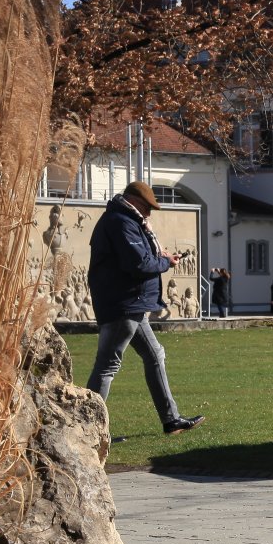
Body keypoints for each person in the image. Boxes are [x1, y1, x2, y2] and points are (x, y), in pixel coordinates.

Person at [85, 181, 206, 434]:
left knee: (155, 355)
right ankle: (88, 429)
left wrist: (161, 258)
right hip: (123, 304)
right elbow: (138, 265)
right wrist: (165, 262)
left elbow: (140, 259)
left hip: (131, 304)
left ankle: (171, 420)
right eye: (147, 207)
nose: (149, 213)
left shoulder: (125, 221)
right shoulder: (122, 223)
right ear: (133, 202)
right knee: (108, 365)